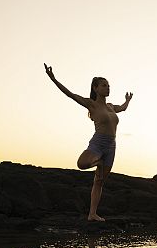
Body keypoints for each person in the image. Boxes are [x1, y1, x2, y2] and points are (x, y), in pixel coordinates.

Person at [44, 63, 133, 221]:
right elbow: (70, 95)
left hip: (112, 147)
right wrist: (53, 79)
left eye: (108, 85)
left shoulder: (111, 107)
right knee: (82, 164)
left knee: (99, 182)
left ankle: (92, 214)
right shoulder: (91, 104)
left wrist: (128, 100)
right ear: (95, 88)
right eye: (104, 85)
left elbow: (123, 108)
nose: (108, 88)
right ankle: (98, 163)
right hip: (98, 143)